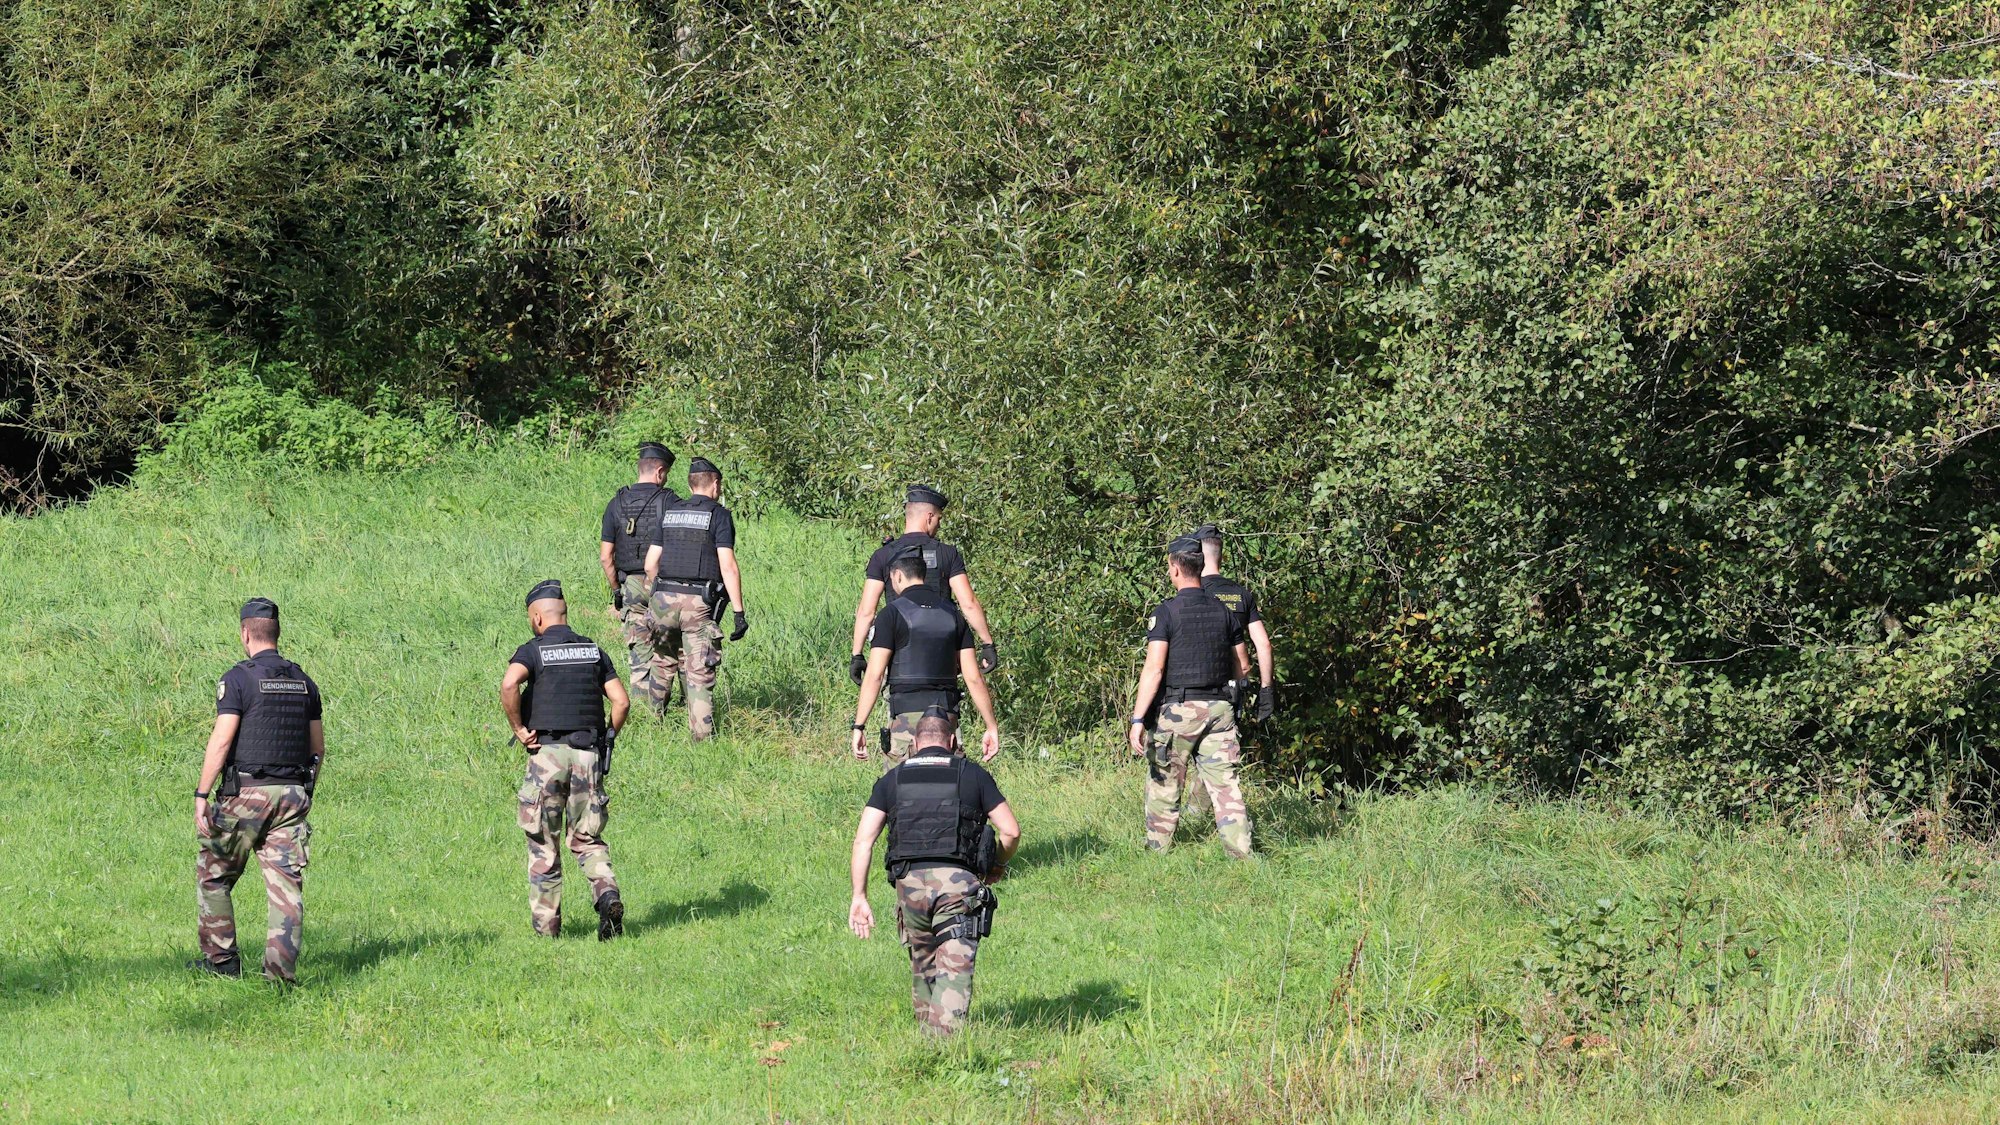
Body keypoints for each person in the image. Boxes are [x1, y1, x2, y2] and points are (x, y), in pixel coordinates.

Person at [848, 710, 1020, 1036]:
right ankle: (942, 1051)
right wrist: (996, 864)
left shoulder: (891, 779)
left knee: (924, 966)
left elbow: (863, 840)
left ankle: (926, 1047)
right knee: (954, 970)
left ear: (914, 744)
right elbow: (1010, 832)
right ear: (952, 742)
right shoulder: (973, 775)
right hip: (957, 885)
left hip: (908, 885)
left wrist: (860, 896)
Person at [193, 597, 324, 983]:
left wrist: (202, 795)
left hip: (245, 796)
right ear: (277, 633)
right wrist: (305, 791)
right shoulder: (304, 682)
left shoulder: (238, 679)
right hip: (293, 796)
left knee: (214, 876)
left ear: (245, 633)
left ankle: (222, 964)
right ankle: (279, 978)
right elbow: (318, 749)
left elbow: (221, 742)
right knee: (286, 891)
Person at [499, 580, 631, 939]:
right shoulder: (593, 650)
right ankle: (607, 895)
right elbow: (621, 701)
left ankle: (547, 933)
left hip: (547, 757)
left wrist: (519, 728)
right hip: (588, 755)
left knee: (544, 844)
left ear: (538, 617)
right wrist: (609, 736)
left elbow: (510, 684)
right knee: (587, 840)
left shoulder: (533, 651)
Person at [1126, 537, 1254, 859]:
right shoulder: (1224, 612)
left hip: (1179, 710)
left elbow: (1154, 670)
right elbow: (1243, 665)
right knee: (1226, 788)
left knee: (1165, 784)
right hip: (1220, 710)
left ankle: (1156, 854)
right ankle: (1241, 856)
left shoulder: (1166, 613)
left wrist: (1138, 718)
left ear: (1175, 569)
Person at [850, 546, 1001, 769]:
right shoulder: (953, 614)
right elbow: (973, 677)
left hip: (905, 722)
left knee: (901, 796)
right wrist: (991, 726)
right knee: (948, 793)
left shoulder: (891, 614)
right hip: (946, 720)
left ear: (897, 575)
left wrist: (859, 726)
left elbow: (875, 674)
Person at [641, 457, 746, 741]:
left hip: (661, 598)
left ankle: (651, 727)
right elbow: (728, 566)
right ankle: (701, 739)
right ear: (715, 484)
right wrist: (738, 612)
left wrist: (659, 594)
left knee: (662, 662)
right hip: (697, 603)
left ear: (690, 484)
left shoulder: (671, 512)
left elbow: (651, 563)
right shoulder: (719, 515)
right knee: (699, 671)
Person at [850, 485, 996, 687]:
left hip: (899, 651)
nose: (939, 525)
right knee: (945, 709)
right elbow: (968, 603)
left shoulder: (883, 556)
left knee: (899, 709)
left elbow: (866, 611)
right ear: (929, 517)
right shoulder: (947, 553)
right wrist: (987, 642)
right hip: (942, 651)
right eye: (938, 519)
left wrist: (857, 654)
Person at [600, 442, 680, 715]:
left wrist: (617, 591)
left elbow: (605, 556)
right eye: (666, 473)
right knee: (672, 646)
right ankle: (678, 704)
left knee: (640, 649)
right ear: (659, 472)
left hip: (630, 586)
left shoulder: (616, 503)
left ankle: (646, 713)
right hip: (664, 583)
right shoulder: (670, 501)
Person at [1191, 524, 1276, 722]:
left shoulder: (1193, 593)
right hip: (1232, 691)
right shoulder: (1242, 594)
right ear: (1220, 556)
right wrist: (1266, 690)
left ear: (1196, 556)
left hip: (1196, 691)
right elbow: (1264, 645)